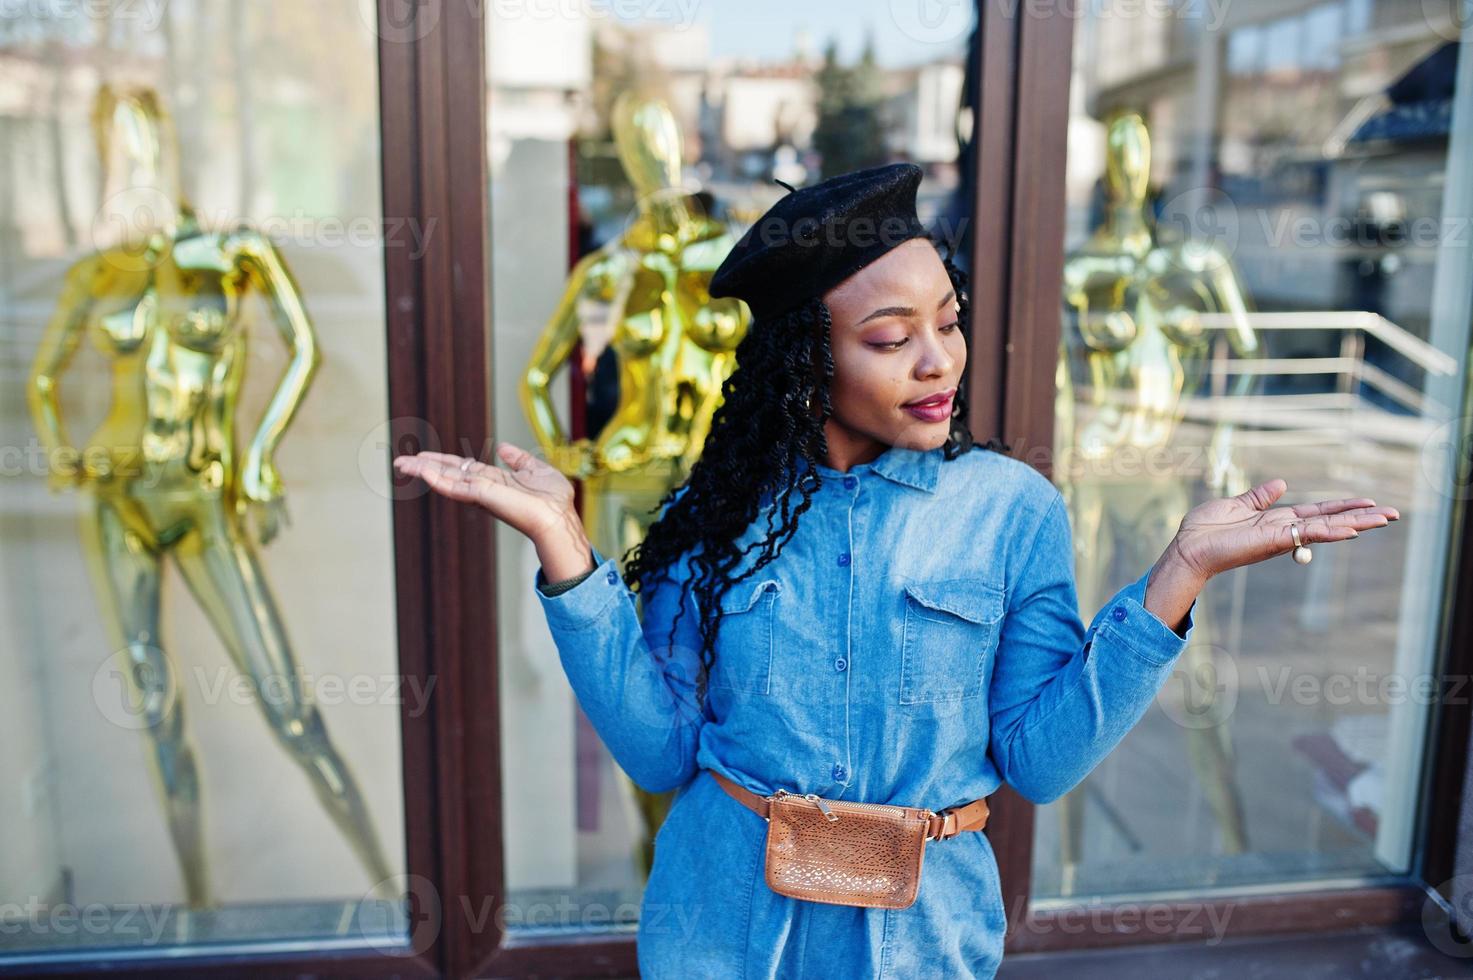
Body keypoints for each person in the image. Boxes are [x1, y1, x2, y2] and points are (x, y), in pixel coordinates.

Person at [393, 162, 1399, 978]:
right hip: (721, 929)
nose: (938, 362)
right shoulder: (718, 512)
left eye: (948, 321)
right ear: (806, 359)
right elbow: (660, 753)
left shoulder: (1012, 510)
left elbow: (1039, 758)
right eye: (890, 336)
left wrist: (1176, 576)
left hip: (922, 945)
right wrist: (566, 551)